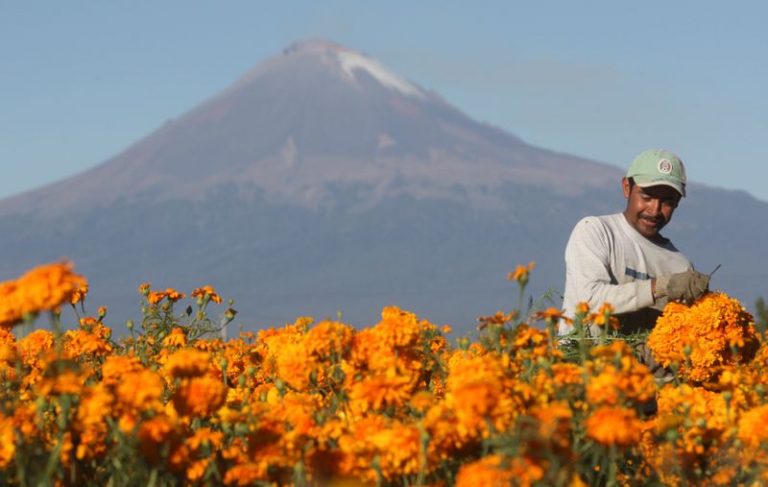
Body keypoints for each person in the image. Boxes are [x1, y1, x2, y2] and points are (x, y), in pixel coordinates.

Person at [559, 149, 710, 338]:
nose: (654, 210)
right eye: (646, 197)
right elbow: (589, 302)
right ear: (626, 188)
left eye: (667, 202)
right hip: (584, 362)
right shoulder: (596, 231)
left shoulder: (680, 266)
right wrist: (660, 286)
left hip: (641, 367)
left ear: (677, 203)